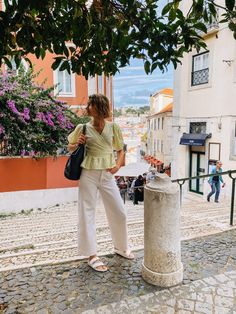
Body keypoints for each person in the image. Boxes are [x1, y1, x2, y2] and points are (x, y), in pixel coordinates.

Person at [67, 94, 134, 272]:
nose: (88, 106)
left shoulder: (113, 128)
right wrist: (77, 144)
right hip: (88, 172)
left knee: (119, 211)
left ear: (99, 107)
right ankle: (91, 255)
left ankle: (120, 247)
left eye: (91, 104)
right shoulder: (82, 127)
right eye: (89, 103)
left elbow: (121, 150)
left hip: (107, 174)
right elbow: (70, 147)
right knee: (87, 212)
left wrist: (117, 166)